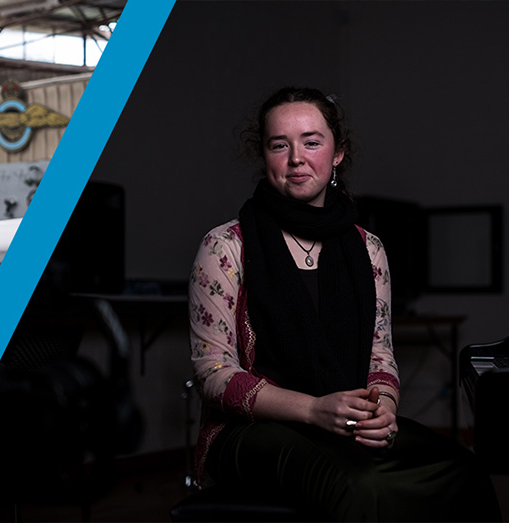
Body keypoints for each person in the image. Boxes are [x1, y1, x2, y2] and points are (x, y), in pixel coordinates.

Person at [188, 86, 500, 521]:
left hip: (344, 419)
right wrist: (314, 409)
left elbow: (379, 351)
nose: (296, 158)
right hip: (249, 431)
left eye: (311, 141)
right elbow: (213, 374)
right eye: (280, 145)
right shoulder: (226, 246)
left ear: (337, 153)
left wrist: (383, 410)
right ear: (264, 155)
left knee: (463, 471)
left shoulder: (368, 248)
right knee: (358, 486)